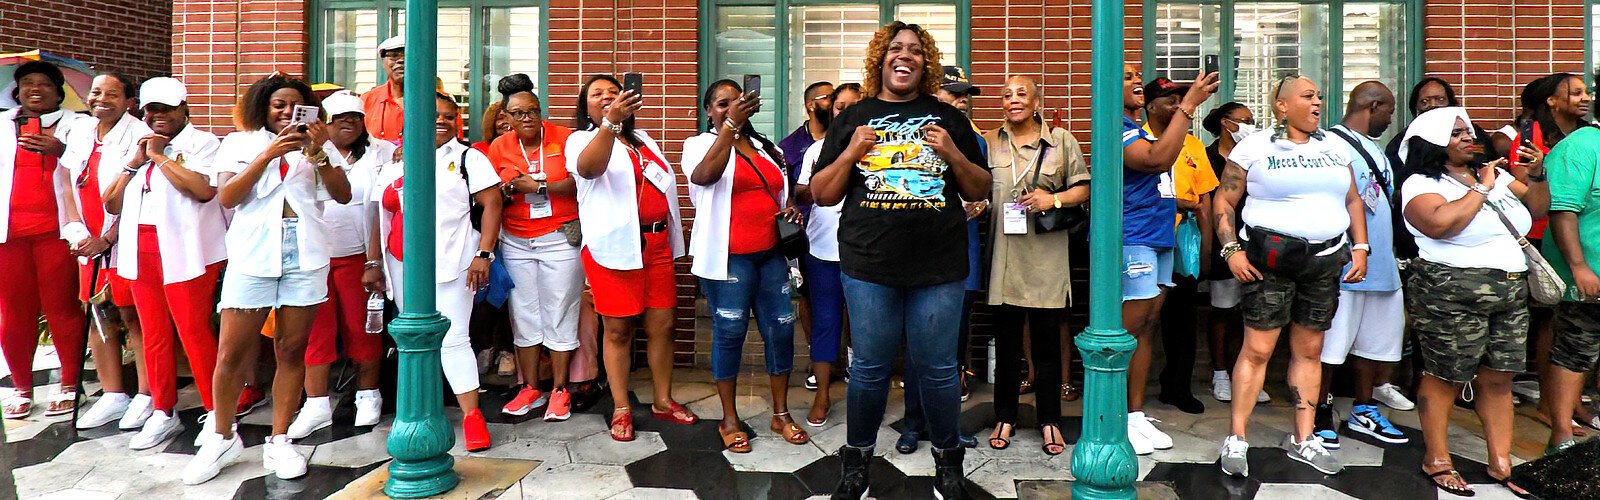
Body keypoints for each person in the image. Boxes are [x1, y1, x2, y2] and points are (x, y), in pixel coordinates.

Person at [809, 21, 990, 499]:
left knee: (936, 368)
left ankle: (949, 463)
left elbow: (979, 188)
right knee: (869, 366)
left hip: (938, 265)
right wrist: (850, 152)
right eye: (895, 49)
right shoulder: (855, 117)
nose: (903, 56)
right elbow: (823, 195)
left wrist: (951, 151)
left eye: (914, 50)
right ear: (880, 60)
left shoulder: (948, 118)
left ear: (925, 62)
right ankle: (857, 464)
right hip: (869, 263)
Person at [188, 74, 354, 484]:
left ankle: (280, 439)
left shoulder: (319, 144)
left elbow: (343, 194)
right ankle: (222, 436)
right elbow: (228, 197)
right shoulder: (240, 142)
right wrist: (267, 154)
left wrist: (318, 153)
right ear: (263, 106)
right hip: (252, 253)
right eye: (278, 104)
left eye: (294, 105)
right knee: (231, 353)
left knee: (292, 349)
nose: (286, 112)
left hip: (307, 252)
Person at [1213, 75, 1369, 477]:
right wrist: (1231, 249)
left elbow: (1352, 198)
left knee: (1309, 350)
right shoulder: (1255, 146)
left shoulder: (1336, 145)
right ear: (1282, 106)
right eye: (1307, 96)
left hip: (1325, 261)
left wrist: (1361, 246)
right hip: (1270, 260)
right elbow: (1225, 199)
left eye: (1319, 95)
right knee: (1258, 349)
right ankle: (1237, 438)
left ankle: (1304, 438)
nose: (1318, 102)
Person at [1398, 107, 1546, 497]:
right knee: (1445, 376)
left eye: (1468, 130)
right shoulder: (1420, 183)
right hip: (1450, 290)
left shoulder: (1493, 177)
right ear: (1432, 143)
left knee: (1499, 377)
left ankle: (1501, 462)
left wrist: (1537, 174)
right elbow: (1441, 224)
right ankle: (1437, 459)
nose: (1468, 137)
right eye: (1455, 133)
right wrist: (1480, 188)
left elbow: (1538, 209)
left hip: (1509, 291)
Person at [367, 91, 503, 452]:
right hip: (401, 265)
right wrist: (372, 262)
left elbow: (492, 205)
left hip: (454, 262)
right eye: (433, 115)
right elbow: (377, 214)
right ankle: (417, 410)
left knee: (455, 338)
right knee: (411, 338)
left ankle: (472, 416)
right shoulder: (396, 163)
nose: (441, 121)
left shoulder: (467, 159)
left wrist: (484, 254)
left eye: (448, 116)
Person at [566, 74, 698, 442]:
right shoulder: (580, 140)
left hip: (655, 245)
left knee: (663, 325)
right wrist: (609, 124)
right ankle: (622, 406)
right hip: (612, 248)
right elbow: (590, 168)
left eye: (614, 91)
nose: (607, 97)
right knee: (619, 329)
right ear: (586, 107)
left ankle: (661, 399)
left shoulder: (644, 141)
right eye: (598, 94)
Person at [100, 77, 229, 450]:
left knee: (193, 332)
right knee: (153, 334)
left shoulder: (203, 143)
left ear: (184, 109)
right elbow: (111, 204)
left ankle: (216, 413)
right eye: (150, 110)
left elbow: (203, 191)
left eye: (166, 109)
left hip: (189, 253)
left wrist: (160, 157)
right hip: (140, 252)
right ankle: (163, 410)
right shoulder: (137, 147)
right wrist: (134, 164)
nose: (157, 116)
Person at [685, 79, 808, 452]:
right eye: (720, 104)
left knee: (782, 330)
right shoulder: (700, 144)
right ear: (709, 111)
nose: (728, 108)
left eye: (735, 103)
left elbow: (780, 189)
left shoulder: (764, 147)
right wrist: (729, 128)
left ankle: (781, 413)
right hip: (729, 258)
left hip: (771, 254)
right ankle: (729, 418)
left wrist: (790, 209)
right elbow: (703, 177)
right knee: (729, 333)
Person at [980, 75, 1088, 457]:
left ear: (1037, 101)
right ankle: (1005, 416)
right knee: (1007, 344)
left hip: (1046, 255)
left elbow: (1083, 188)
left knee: (1045, 346)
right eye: (1006, 94)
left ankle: (1050, 421)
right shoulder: (989, 142)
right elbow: (976, 187)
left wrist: (1053, 200)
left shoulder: (1061, 141)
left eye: (1021, 93)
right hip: (1003, 258)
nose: (1013, 99)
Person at [1118, 66, 1219, 454]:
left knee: (1148, 325)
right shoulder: (1118, 128)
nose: (1137, 81)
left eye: (1137, 74)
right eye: (1127, 77)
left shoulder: (1139, 127)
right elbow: (1157, 160)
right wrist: (1189, 106)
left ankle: (1134, 415)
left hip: (1160, 238)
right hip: (1134, 239)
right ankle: (1111, 416)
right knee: (1128, 328)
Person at [285, 90, 394, 437]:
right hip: (312, 255)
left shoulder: (384, 151)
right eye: (339, 118)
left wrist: (374, 259)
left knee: (363, 328)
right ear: (323, 123)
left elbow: (380, 206)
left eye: (355, 117)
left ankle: (368, 395)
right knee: (315, 331)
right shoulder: (303, 151)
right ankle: (316, 403)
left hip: (360, 256)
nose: (348, 123)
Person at [1310, 81, 1410, 450]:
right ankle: (1321, 409)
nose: (1390, 118)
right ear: (1373, 105)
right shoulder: (1331, 144)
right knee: (1331, 347)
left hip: (1381, 266)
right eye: (1389, 110)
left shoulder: (1377, 148)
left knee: (1374, 346)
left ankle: (1365, 408)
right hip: (1347, 266)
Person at [897, 65, 988, 455]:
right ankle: (912, 423)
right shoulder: (906, 135)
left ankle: (945, 425)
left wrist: (980, 202)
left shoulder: (972, 138)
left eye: (965, 94)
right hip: (914, 256)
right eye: (954, 93)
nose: (962, 100)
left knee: (950, 350)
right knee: (917, 348)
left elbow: (984, 185)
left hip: (958, 256)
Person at [0, 61, 94, 420]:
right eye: (27, 83)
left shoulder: (78, 124)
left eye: (44, 84)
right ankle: (21, 387)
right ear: (17, 90)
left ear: (59, 91)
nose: (35, 89)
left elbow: (90, 165)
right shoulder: (1, 123)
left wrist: (60, 150)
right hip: (8, 234)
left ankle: (70, 384)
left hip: (57, 231)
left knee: (62, 309)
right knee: (13, 312)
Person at [486, 74, 583, 422]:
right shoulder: (499, 147)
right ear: (506, 118)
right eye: (518, 113)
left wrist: (538, 187)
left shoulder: (565, 138)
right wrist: (511, 190)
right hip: (516, 239)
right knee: (524, 313)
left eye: (532, 111)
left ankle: (559, 389)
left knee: (559, 311)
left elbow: (578, 183)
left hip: (558, 236)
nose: (527, 118)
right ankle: (530, 387)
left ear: (541, 112)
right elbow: (492, 192)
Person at [65, 73, 152, 430]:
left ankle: (148, 396)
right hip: (88, 239)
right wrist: (76, 229)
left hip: (123, 241)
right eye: (97, 92)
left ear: (129, 101)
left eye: (113, 94)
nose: (102, 99)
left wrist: (109, 238)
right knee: (97, 318)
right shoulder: (82, 131)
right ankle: (114, 394)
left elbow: (138, 194)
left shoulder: (138, 135)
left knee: (133, 318)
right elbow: (69, 183)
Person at [1146, 77, 1219, 416]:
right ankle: (1133, 392)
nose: (1176, 104)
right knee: (1146, 317)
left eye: (1180, 98)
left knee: (1182, 320)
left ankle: (1177, 386)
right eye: (1168, 99)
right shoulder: (1139, 140)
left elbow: (1204, 199)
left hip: (1184, 240)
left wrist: (1205, 249)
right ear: (1150, 106)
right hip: (1146, 239)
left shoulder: (1193, 145)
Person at [794, 82, 861, 429]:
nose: (845, 112)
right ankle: (822, 394)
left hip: (867, 251)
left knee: (867, 327)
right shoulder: (816, 150)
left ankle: (866, 399)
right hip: (822, 248)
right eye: (839, 107)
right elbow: (804, 192)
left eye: (854, 106)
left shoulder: (879, 150)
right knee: (826, 322)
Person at [1538, 92, 1600, 455]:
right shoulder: (1579, 146)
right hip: (1589, 276)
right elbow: (1563, 212)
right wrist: (1579, 267)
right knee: (1575, 352)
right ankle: (1560, 433)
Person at [1198, 102, 1269, 405]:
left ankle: (1248, 374)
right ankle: (1220, 373)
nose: (1251, 126)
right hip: (1222, 243)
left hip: (1256, 242)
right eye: (1245, 121)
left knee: (1251, 312)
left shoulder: (1256, 156)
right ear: (1227, 124)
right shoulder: (1207, 156)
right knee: (1223, 310)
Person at [778, 80, 831, 391]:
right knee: (809, 297)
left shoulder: (846, 140)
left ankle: (847, 359)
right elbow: (786, 193)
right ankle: (816, 359)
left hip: (843, 232)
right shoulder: (789, 146)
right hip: (806, 234)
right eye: (827, 98)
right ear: (812, 105)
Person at [362, 35, 408, 143]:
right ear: (384, 62)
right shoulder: (367, 100)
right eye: (394, 56)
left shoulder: (437, 101)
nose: (401, 60)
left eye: (407, 55)